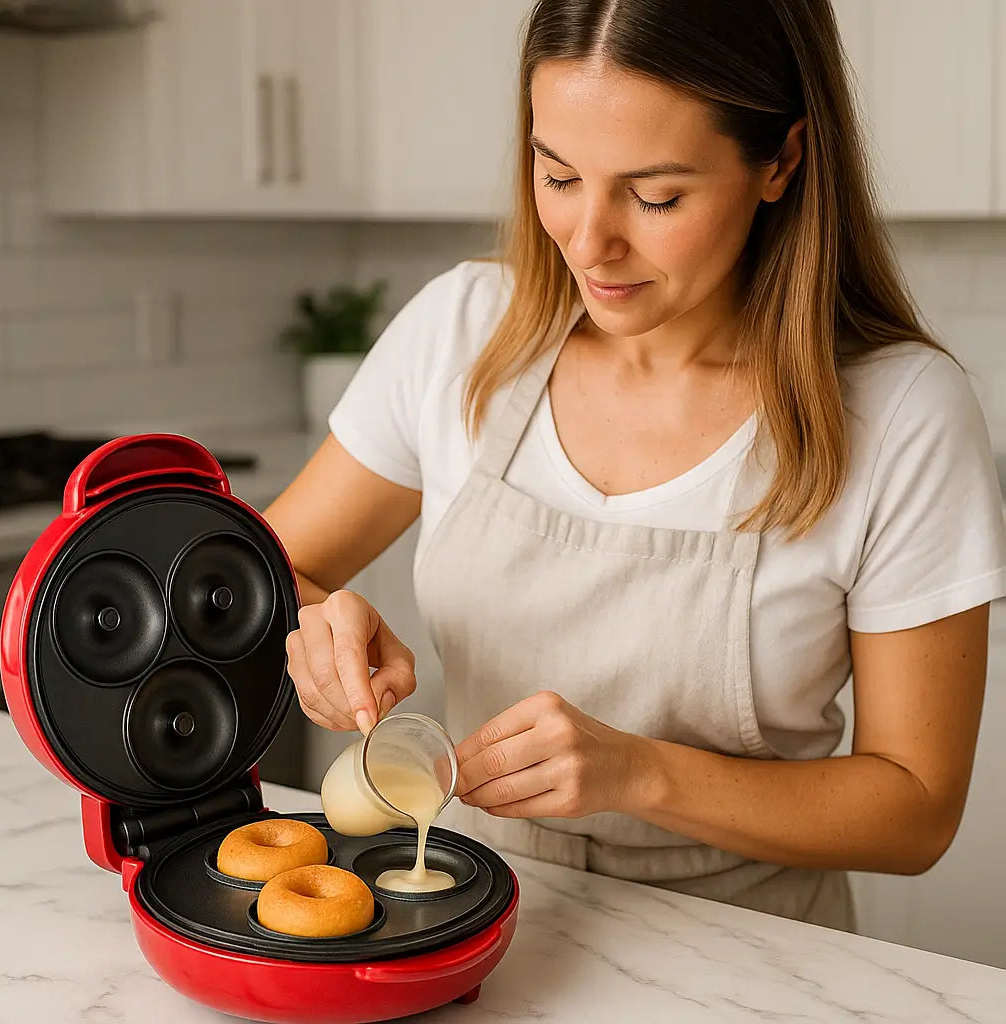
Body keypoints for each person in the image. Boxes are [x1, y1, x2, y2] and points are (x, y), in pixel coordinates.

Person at [263, 0, 1006, 931]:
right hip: (478, 922)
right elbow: (257, 577)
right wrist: (316, 627)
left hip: (756, 960)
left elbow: (916, 812)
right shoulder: (462, 330)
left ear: (780, 160)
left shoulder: (899, 413)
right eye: (558, 175)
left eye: (656, 197)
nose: (589, 242)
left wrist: (637, 772)